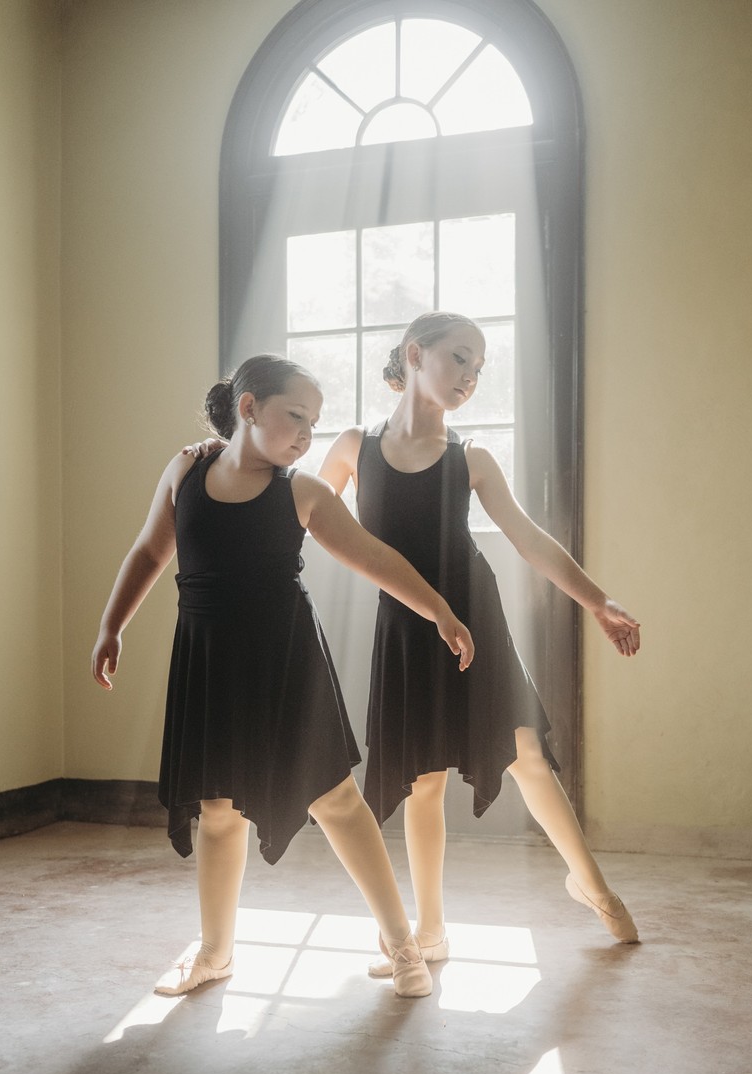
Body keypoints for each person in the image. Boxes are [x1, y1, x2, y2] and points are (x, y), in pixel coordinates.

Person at [91, 353, 474, 1000]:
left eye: (315, 423)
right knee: (217, 810)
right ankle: (215, 954)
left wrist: (438, 609)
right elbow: (150, 550)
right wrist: (111, 625)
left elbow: (374, 556)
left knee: (336, 801)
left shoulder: (300, 492)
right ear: (248, 408)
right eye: (295, 416)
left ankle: (403, 944)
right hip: (210, 661)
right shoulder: (186, 469)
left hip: (286, 662)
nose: (306, 433)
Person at [316, 312, 641, 974]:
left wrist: (599, 601)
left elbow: (529, 540)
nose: (470, 376)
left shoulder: (471, 458)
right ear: (414, 354)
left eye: (479, 368)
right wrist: (222, 453)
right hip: (406, 623)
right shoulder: (354, 447)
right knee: (423, 777)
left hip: (474, 611)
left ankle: (593, 885)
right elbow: (304, 509)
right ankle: (431, 931)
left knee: (523, 751)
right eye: (460, 358)